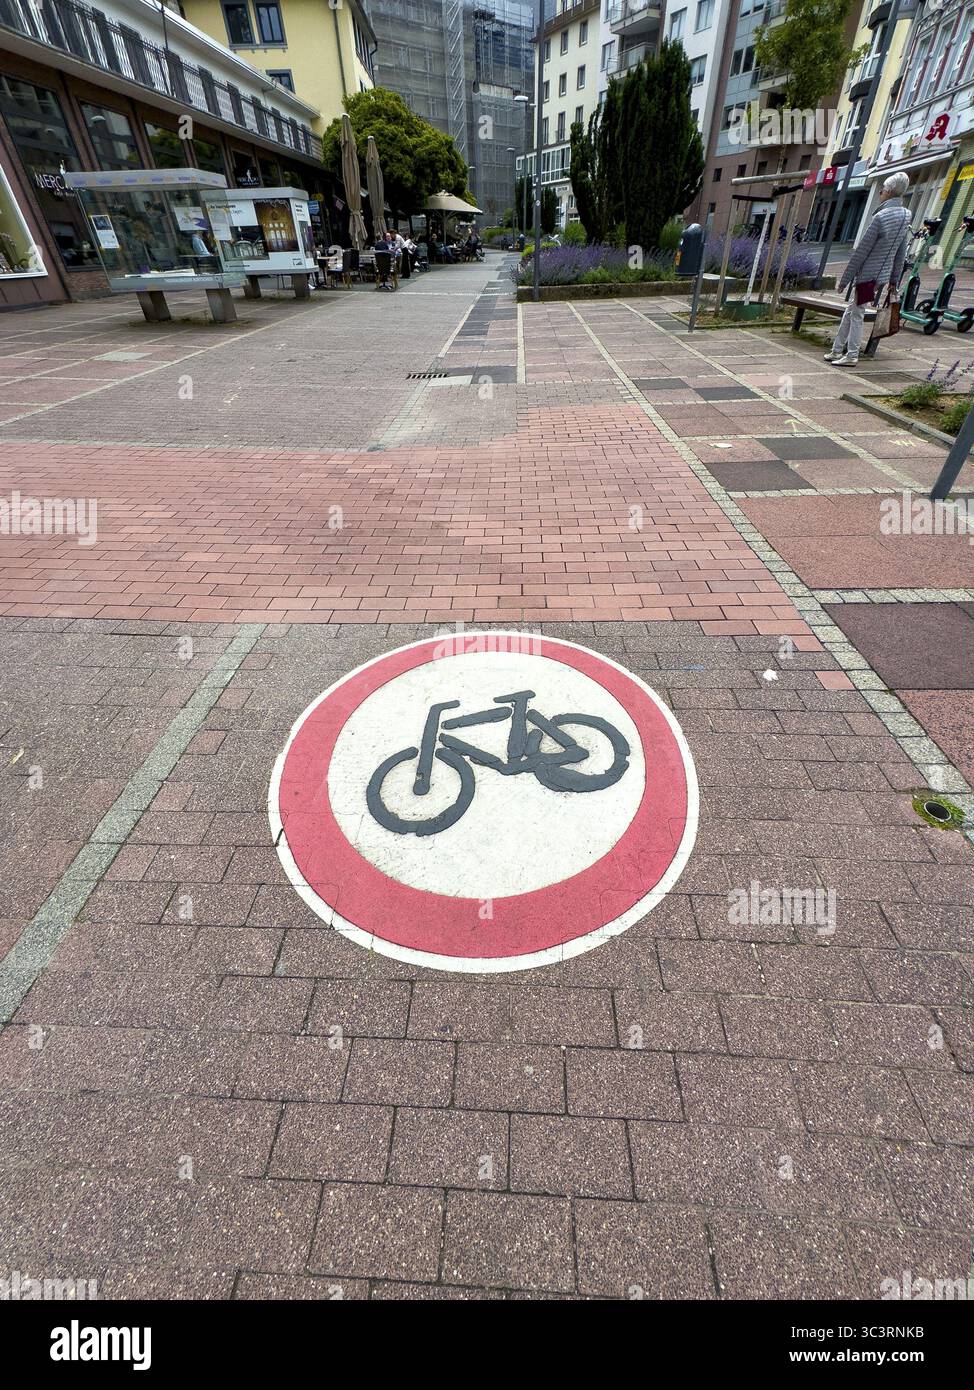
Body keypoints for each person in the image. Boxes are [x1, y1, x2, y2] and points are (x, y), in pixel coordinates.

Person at [826, 171, 911, 368]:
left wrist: (845, 280)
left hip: (868, 275)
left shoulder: (881, 217)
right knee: (852, 310)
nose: (880, 193)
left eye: (882, 190)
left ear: (888, 192)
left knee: (857, 313)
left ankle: (852, 354)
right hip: (882, 274)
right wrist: (894, 279)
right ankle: (836, 349)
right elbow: (900, 252)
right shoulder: (905, 216)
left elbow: (862, 251)